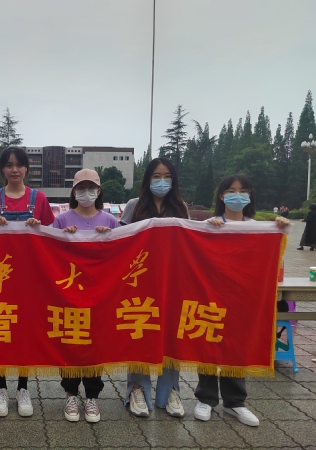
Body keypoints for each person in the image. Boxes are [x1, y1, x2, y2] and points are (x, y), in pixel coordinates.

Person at [198, 174, 289, 427]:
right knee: (207, 343)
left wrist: (280, 229)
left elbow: (271, 260)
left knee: (236, 346)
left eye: (242, 191)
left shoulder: (258, 228)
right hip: (211, 295)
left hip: (241, 298)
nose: (236, 195)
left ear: (250, 196)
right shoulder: (209, 224)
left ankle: (235, 402)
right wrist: (208, 230)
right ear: (221, 195)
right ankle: (205, 398)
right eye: (231, 190)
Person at [0, 145, 54, 418]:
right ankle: (0, 387)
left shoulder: (39, 198)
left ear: (27, 169)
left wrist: (38, 227)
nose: (14, 170)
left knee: (26, 331)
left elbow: (53, 235)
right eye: (9, 165)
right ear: (2, 169)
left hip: (29, 276)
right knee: (0, 326)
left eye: (19, 165)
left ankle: (23, 387)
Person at [119, 157, 189, 419]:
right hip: (140, 281)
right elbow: (120, 240)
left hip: (172, 281)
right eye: (156, 176)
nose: (162, 181)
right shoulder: (134, 206)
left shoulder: (180, 207)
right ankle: (137, 389)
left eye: (167, 176)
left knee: (171, 334)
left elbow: (190, 243)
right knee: (139, 330)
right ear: (147, 179)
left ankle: (170, 390)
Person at [52, 168, 119, 423]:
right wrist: (62, 238)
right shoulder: (62, 220)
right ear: (73, 191)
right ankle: (70, 393)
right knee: (70, 340)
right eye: (81, 188)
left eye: (91, 188)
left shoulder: (110, 221)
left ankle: (92, 396)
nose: (86, 193)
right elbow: (48, 252)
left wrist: (107, 239)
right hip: (69, 293)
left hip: (100, 294)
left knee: (95, 343)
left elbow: (120, 256)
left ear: (99, 191)